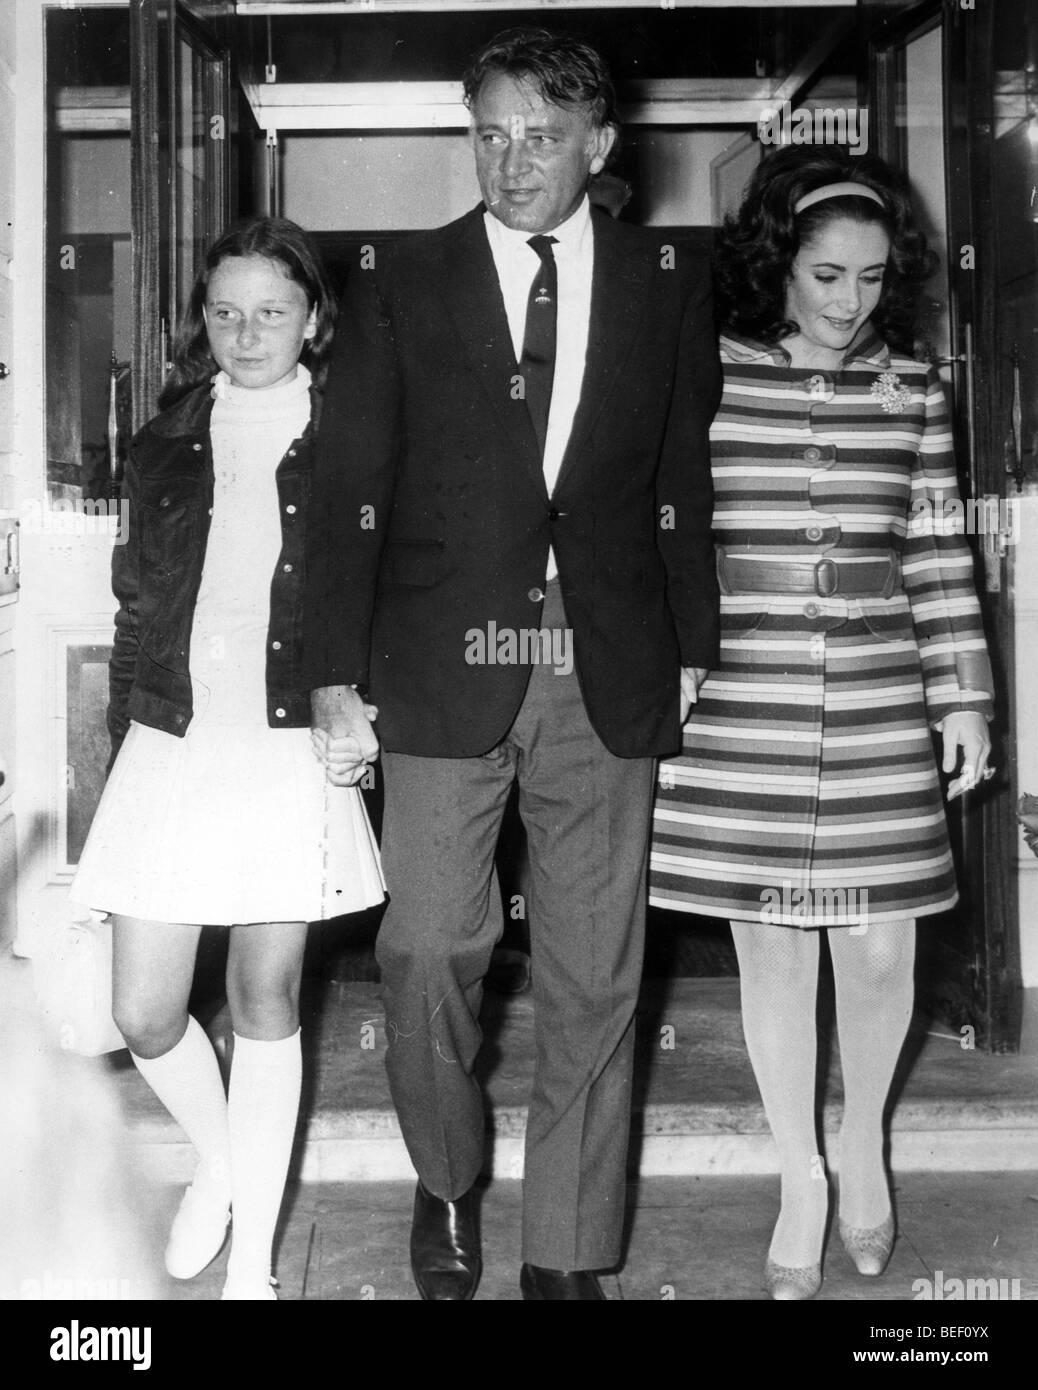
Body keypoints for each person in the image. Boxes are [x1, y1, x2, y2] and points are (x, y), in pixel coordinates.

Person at [304, 27, 720, 1300]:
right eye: (488, 133)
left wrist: (692, 641)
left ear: (599, 145)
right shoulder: (400, 282)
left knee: (599, 965)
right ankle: (446, 1176)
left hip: (606, 656)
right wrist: (333, 670)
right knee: (428, 944)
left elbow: (675, 478)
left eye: (540, 136)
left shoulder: (662, 278)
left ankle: (569, 1250)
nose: (511, 161)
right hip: (439, 656)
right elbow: (346, 481)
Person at [650, 146, 994, 1299]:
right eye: (827, 277)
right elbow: (665, 533)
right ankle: (801, 1169)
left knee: (885, 941)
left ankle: (863, 1146)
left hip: (881, 690)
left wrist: (966, 697)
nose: (850, 303)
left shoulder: (915, 392)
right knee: (774, 947)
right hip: (744, 693)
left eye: (870, 280)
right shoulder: (709, 375)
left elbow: (942, 551)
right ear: (778, 267)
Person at [70, 217, 386, 1301]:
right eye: (225, 311)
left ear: (314, 317)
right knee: (146, 1013)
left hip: (291, 741)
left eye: (273, 312)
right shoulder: (166, 433)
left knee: (264, 996)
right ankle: (224, 1163)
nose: (248, 333)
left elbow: (397, 588)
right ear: (200, 319)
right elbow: (134, 606)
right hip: (175, 737)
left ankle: (252, 1268)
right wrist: (116, 761)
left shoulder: (357, 429)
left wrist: (365, 707)